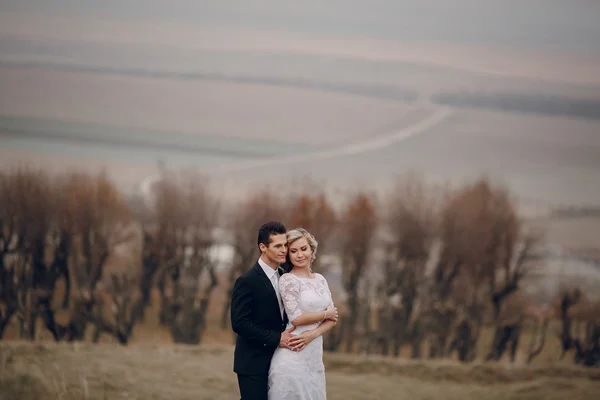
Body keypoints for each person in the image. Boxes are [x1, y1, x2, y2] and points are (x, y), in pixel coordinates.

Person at [268, 228, 338, 400]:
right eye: (293, 251)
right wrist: (325, 313)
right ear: (288, 255)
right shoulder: (288, 280)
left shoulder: (320, 279)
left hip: (313, 358)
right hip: (293, 354)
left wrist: (312, 334)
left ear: (311, 250)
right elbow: (297, 318)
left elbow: (333, 318)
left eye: (303, 249)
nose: (299, 255)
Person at [231, 221, 297, 400]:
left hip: (280, 361)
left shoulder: (285, 276)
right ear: (263, 247)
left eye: (285, 245)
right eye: (278, 246)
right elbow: (239, 323)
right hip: (253, 363)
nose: (284, 250)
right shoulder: (246, 281)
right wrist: (277, 338)